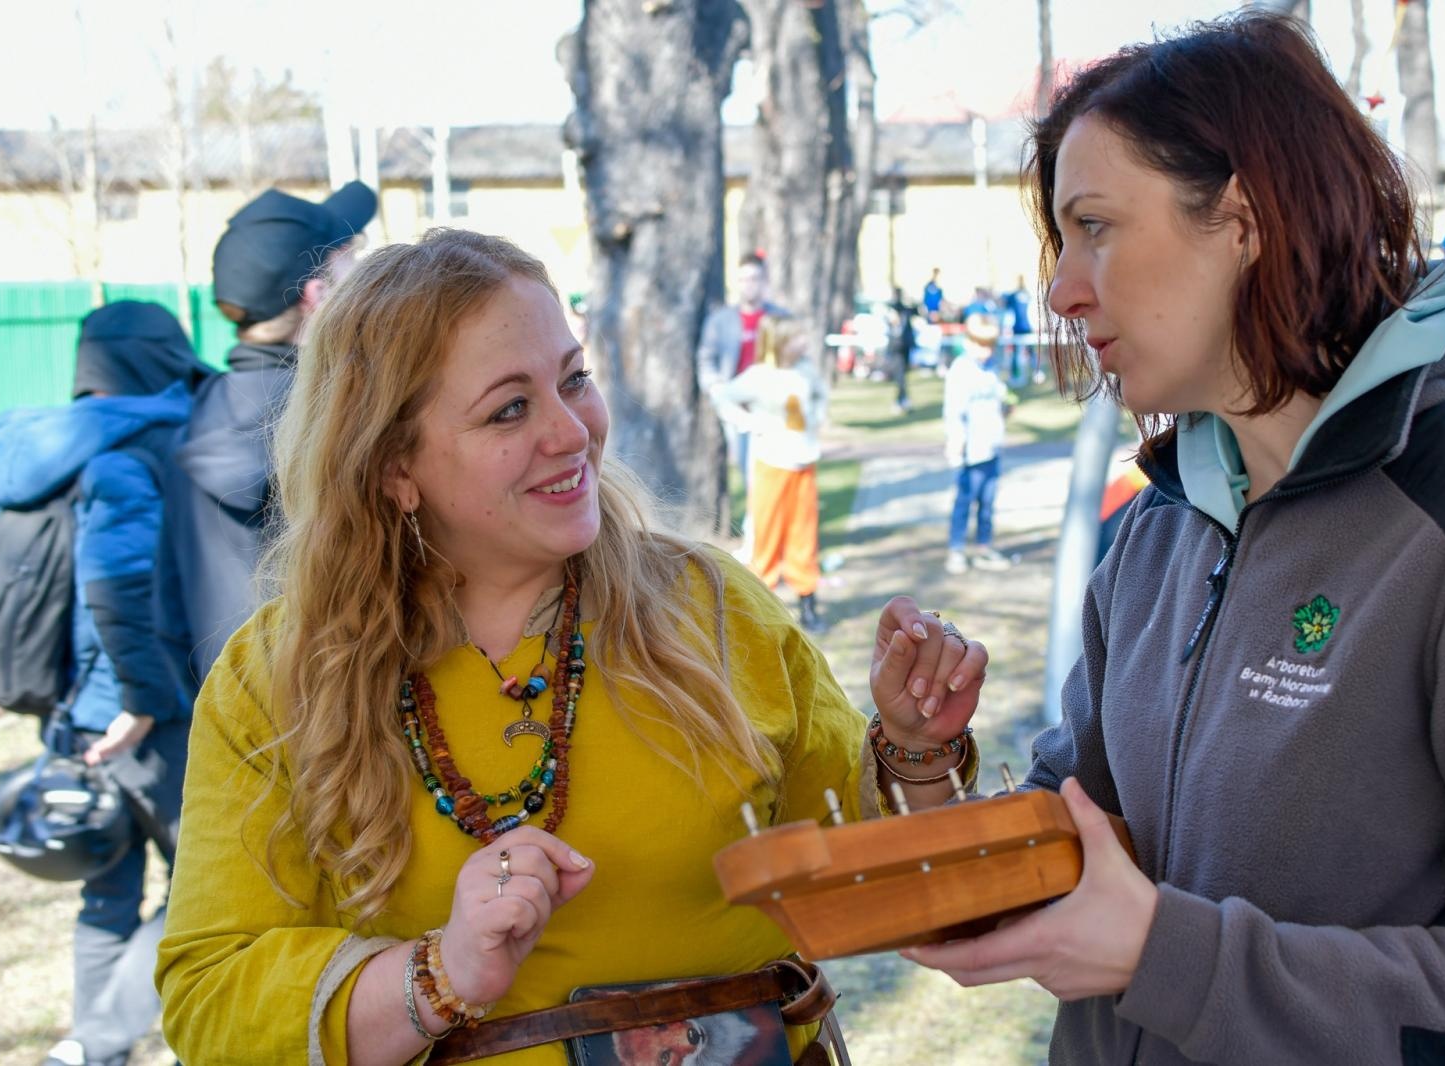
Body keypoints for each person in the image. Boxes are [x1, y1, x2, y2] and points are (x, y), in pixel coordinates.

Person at [899, 14, 1445, 1065]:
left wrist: (1168, 956)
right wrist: (923, 759)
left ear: (1244, 220)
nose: (1062, 289)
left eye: (1095, 226)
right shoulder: (1159, 525)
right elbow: (1073, 844)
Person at [155, 229, 987, 1065]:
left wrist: (916, 747)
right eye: (509, 409)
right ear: (392, 468)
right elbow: (212, 995)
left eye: (574, 380)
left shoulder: (713, 608)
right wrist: (440, 975)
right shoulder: (282, 676)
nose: (572, 431)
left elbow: (888, 881)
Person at [0, 301, 207, 1066]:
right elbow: (119, 587)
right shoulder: (131, 452)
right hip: (140, 715)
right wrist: (142, 702)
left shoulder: (44, 448)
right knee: (195, 889)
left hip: (72, 708)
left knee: (107, 889)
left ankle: (91, 1052)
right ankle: (95, 1042)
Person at [154, 180, 376, 697]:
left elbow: (167, 610)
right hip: (345, 721)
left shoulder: (194, 415)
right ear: (318, 297)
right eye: (351, 263)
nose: (365, 278)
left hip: (231, 717)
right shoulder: (344, 425)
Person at [710, 319, 831, 633]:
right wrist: (750, 423)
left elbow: (820, 395)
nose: (803, 344)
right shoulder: (760, 376)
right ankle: (760, 609)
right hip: (773, 463)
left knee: (804, 535)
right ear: (781, 342)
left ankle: (808, 602)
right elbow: (723, 397)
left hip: (803, 463)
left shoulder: (806, 371)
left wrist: (817, 416)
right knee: (767, 533)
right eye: (796, 338)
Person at [696, 252, 791, 508]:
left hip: (773, 408)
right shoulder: (720, 321)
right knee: (748, 468)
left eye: (754, 278)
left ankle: (773, 520)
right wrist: (716, 387)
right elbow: (706, 360)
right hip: (737, 409)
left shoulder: (780, 318)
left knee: (776, 468)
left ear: (764, 280)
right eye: (743, 279)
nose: (749, 285)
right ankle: (760, 522)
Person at [943, 314, 1015, 576]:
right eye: (981, 345)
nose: (986, 351)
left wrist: (1006, 408)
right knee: (965, 501)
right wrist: (956, 442)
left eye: (990, 346)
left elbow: (998, 399)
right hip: (970, 452)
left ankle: (984, 546)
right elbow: (954, 412)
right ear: (968, 342)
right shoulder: (960, 371)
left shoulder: (992, 370)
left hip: (991, 448)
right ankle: (957, 548)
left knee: (988, 502)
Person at [885, 286, 921, 413]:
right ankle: (902, 400)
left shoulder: (905, 309)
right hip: (896, 347)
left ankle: (902, 399)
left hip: (904, 346)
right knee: (900, 375)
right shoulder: (892, 308)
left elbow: (917, 311)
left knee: (902, 375)